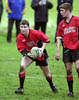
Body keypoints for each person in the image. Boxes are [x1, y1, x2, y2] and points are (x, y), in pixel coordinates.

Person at [15, 20, 58, 94]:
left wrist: (41, 49)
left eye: (25, 27)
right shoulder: (19, 37)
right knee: (22, 67)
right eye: (21, 27)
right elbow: (21, 49)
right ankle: (21, 88)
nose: (23, 29)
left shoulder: (35, 33)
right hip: (30, 54)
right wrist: (28, 54)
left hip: (40, 54)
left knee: (47, 75)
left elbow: (46, 40)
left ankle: (52, 85)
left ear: (28, 27)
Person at [55, 3, 79, 97]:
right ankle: (71, 92)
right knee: (69, 71)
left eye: (62, 11)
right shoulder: (61, 24)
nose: (60, 13)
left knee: (78, 68)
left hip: (77, 49)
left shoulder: (77, 20)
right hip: (66, 50)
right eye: (60, 11)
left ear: (68, 10)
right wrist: (57, 51)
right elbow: (58, 38)